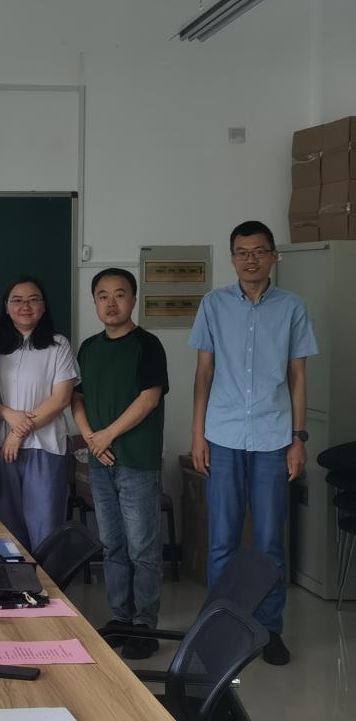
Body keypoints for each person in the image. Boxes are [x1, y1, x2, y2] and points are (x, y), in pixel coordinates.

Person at [190, 220, 317, 666]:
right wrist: (198, 435)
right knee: (221, 540)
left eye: (259, 251)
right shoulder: (213, 304)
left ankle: (269, 629)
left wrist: (298, 439)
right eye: (242, 252)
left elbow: (298, 377)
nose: (251, 260)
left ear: (273, 256)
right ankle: (219, 628)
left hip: (272, 438)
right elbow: (203, 373)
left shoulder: (293, 307)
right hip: (223, 436)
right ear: (232, 259)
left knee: (270, 542)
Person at [71, 268, 169, 660]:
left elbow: (149, 398)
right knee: (112, 545)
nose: (111, 303)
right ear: (95, 301)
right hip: (101, 462)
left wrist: (106, 435)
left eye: (119, 294)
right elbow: (77, 398)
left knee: (142, 548)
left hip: (137, 461)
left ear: (133, 299)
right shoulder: (88, 348)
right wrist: (90, 437)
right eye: (103, 295)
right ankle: (120, 618)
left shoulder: (148, 344)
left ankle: (145, 624)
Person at [0, 276, 78, 553]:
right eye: (17, 300)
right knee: (8, 532)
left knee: (46, 530)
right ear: (6, 307)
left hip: (44, 447)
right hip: (0, 447)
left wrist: (18, 432)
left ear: (44, 306)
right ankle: (16, 582)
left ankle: (47, 583)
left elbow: (61, 398)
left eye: (33, 300)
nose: (25, 306)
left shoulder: (58, 345)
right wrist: (7, 414)